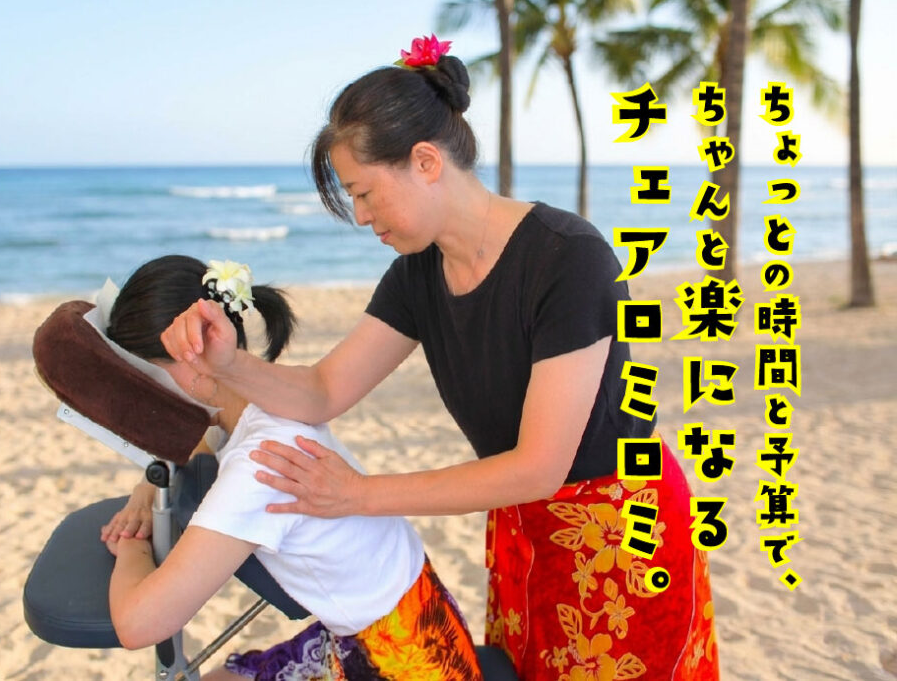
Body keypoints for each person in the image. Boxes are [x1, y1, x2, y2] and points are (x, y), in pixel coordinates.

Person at [160, 35, 719, 680]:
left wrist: (358, 494)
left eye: (365, 193)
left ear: (425, 161)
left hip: (621, 530)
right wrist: (229, 365)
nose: (361, 217)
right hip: (522, 527)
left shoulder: (568, 258)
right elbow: (322, 390)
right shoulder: (419, 273)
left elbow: (539, 466)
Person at [98, 254, 483, 680]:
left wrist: (131, 545)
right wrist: (145, 491)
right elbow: (202, 444)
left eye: (144, 380)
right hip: (410, 618)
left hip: (402, 661)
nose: (144, 399)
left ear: (190, 363)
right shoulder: (270, 398)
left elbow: (139, 625)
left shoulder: (259, 467)